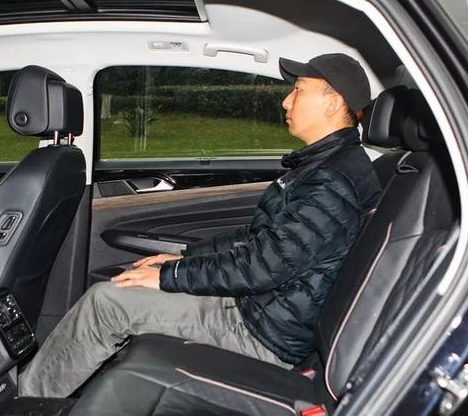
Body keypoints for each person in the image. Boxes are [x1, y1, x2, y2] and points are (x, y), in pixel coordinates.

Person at [19, 53, 382, 398]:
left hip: (261, 332)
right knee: (122, 288)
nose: (286, 101)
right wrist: (183, 257)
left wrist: (170, 276)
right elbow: (257, 243)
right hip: (258, 308)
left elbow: (262, 266)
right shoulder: (324, 167)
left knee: (106, 303)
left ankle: (27, 402)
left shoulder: (331, 183)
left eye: (298, 90)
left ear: (333, 103)